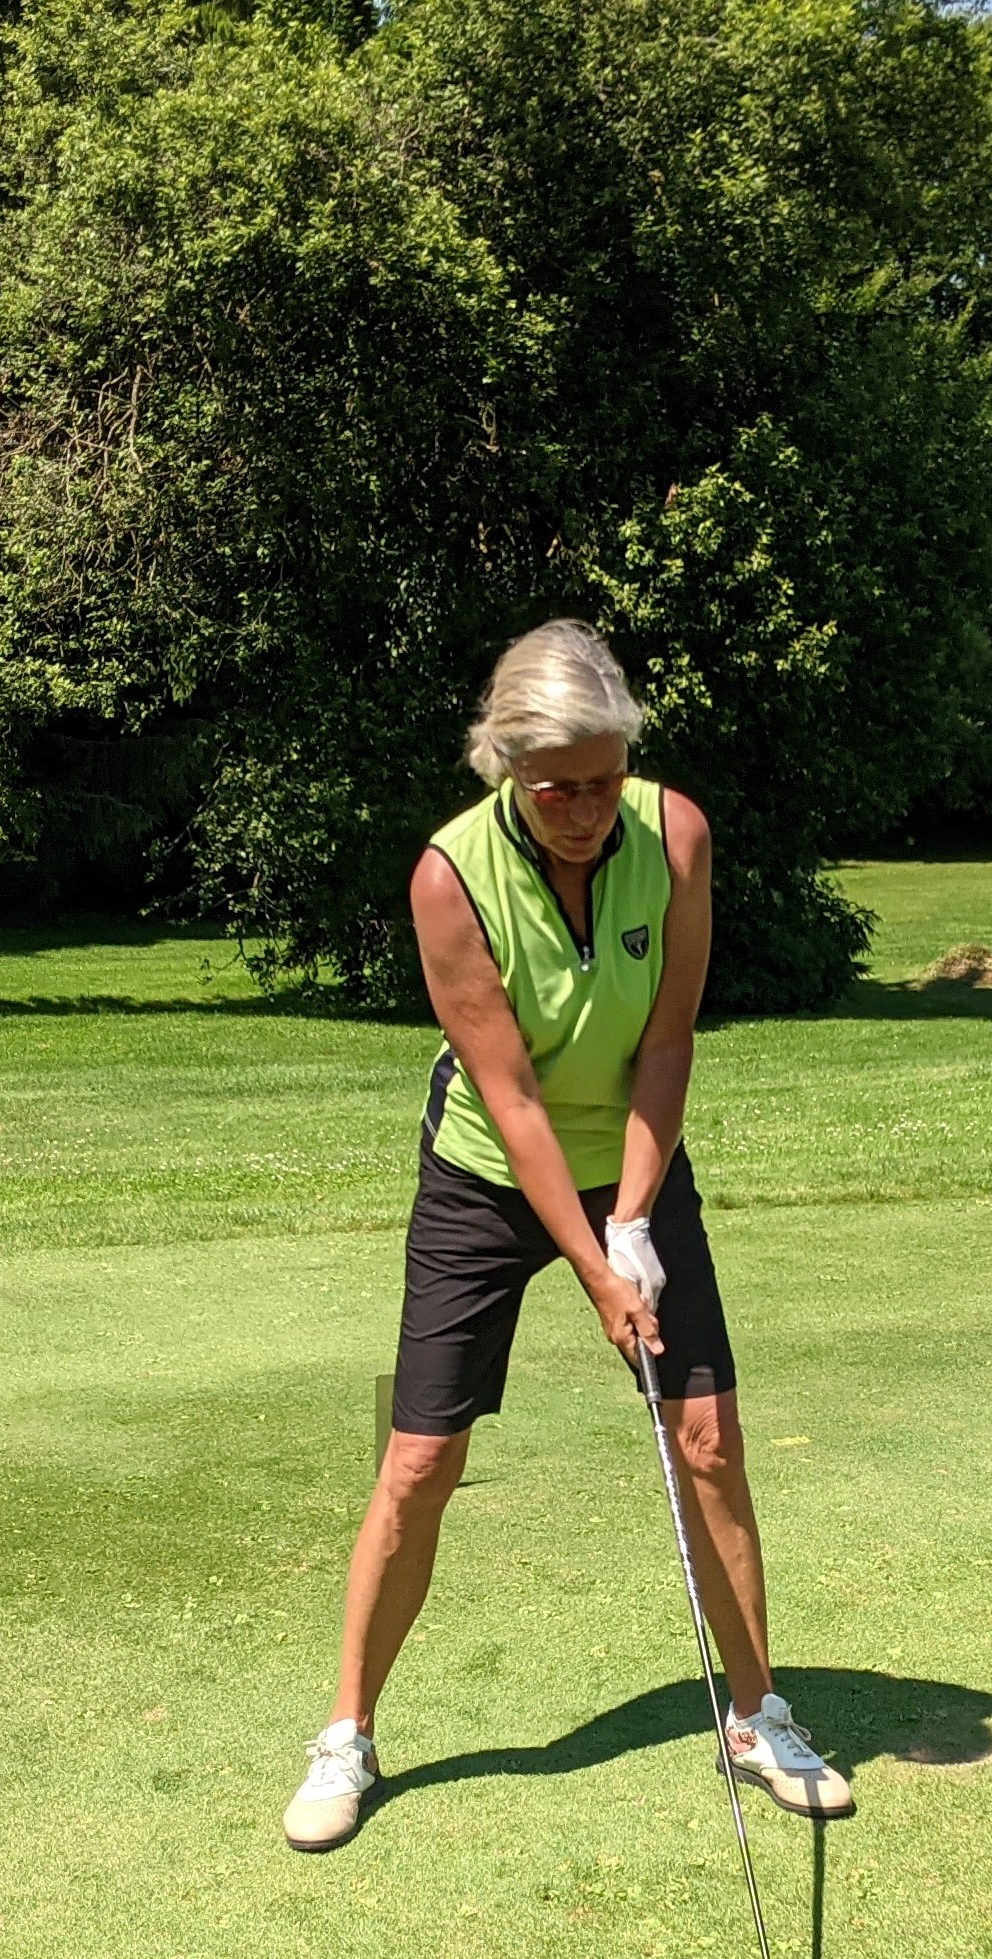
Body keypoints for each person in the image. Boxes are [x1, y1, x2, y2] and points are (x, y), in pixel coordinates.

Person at [283, 621, 850, 1852]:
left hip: (637, 1159)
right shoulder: (449, 876)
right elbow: (515, 1099)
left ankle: (757, 1715)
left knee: (708, 1438)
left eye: (605, 779)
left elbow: (668, 1040)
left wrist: (633, 1217)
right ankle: (347, 1734)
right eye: (558, 790)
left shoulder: (676, 834)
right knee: (419, 1459)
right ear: (504, 767)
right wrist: (596, 1268)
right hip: (486, 1178)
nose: (589, 811)